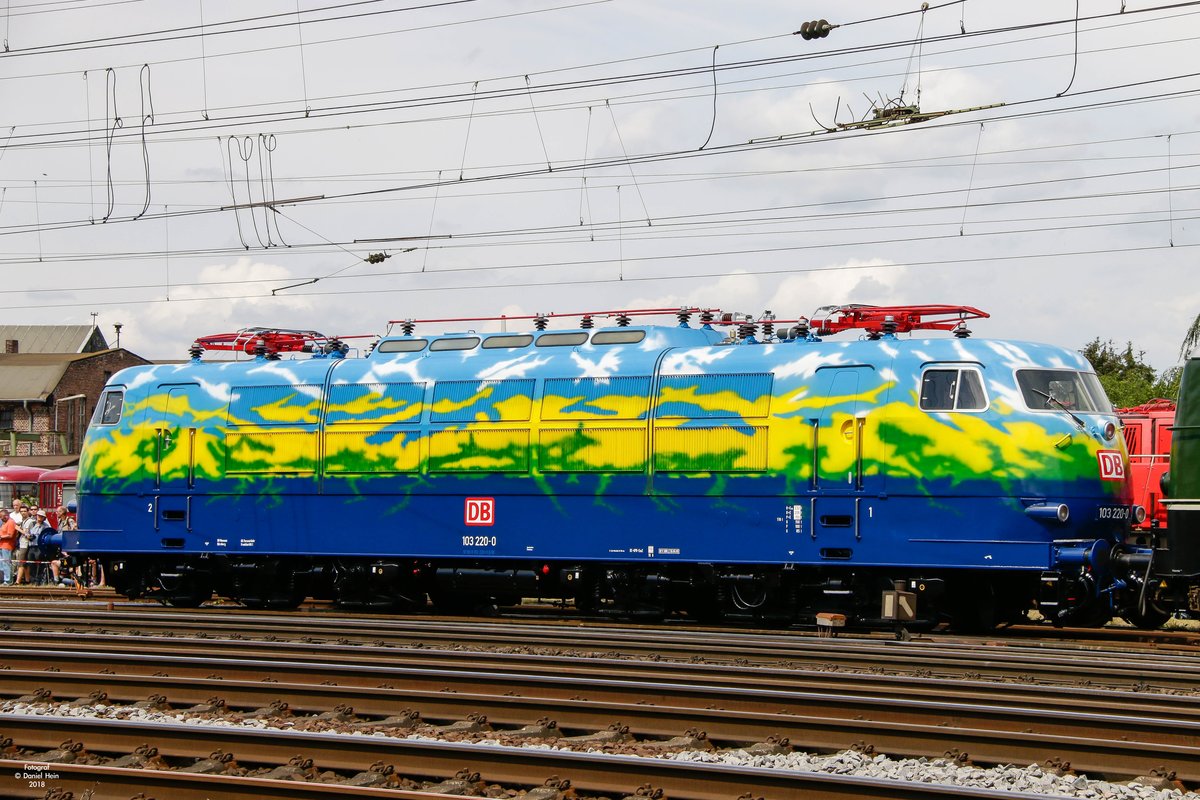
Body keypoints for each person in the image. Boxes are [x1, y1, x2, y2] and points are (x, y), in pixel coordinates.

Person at [0, 508, 14, 585]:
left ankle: (8, 580)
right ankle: (3, 579)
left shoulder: (10, 522)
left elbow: (10, 535)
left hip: (7, 546)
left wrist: (1, 537)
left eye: (1, 517)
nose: (1, 518)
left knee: (6, 563)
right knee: (2, 563)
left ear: (6, 515)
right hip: (2, 545)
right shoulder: (4, 523)